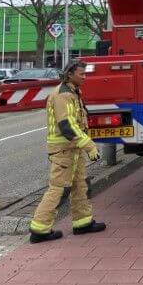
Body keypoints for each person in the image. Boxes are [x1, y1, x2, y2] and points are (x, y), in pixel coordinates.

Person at [29, 61, 106, 243]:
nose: (84, 77)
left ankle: (82, 223)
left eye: (85, 73)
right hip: (64, 150)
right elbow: (67, 126)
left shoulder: (72, 91)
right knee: (59, 188)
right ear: (70, 74)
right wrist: (90, 146)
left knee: (80, 185)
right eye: (81, 74)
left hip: (72, 149)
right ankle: (39, 229)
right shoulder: (63, 95)